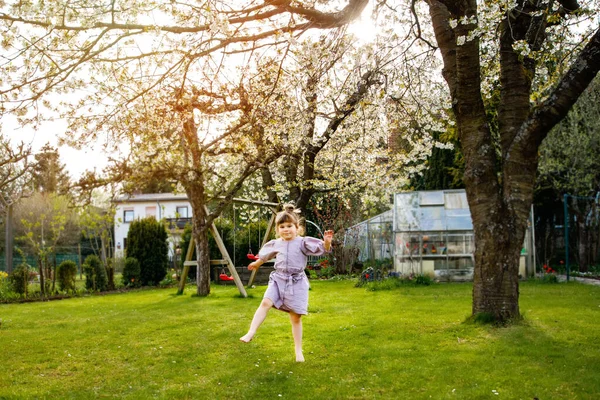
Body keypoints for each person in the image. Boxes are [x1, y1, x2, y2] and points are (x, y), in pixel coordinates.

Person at [239, 204, 334, 362]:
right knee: (265, 303)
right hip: (278, 279)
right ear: (277, 229)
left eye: (289, 226)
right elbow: (265, 256)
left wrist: (327, 243)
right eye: (282, 226)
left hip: (296, 281)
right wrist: (257, 264)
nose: (286, 229)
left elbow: (323, 250)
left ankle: (298, 351)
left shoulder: (303, 242)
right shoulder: (276, 243)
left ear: (297, 227)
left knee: (295, 318)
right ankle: (251, 332)